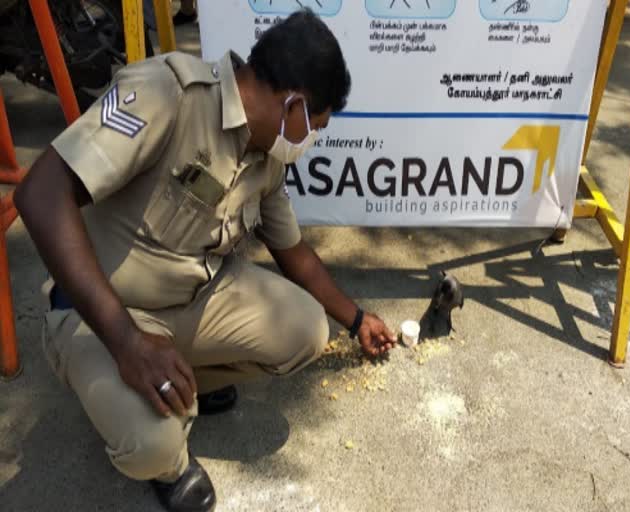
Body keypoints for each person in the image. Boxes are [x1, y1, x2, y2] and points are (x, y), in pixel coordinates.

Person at [15, 10, 396, 512]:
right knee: (149, 444)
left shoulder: (269, 154)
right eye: (317, 125)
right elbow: (40, 194)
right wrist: (128, 343)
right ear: (295, 104)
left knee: (305, 330)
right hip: (102, 317)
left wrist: (357, 319)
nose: (313, 138)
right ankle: (165, 451)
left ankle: (180, 382)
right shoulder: (165, 93)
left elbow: (293, 252)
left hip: (192, 301)